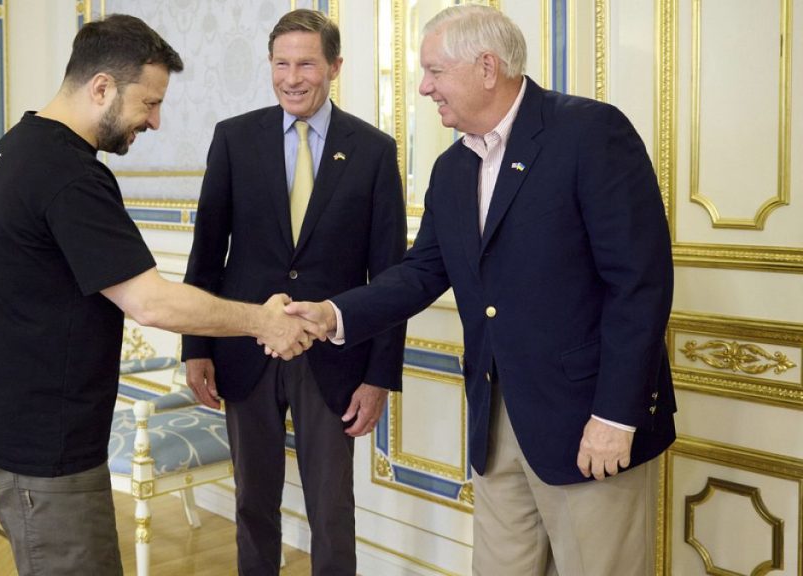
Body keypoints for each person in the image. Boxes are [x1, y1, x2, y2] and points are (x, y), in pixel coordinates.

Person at [285, 5, 676, 575]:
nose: (424, 87)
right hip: (496, 421)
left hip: (587, 420)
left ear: (486, 67)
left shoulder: (590, 133)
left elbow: (639, 283)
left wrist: (616, 417)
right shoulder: (452, 168)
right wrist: (331, 314)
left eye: (435, 72)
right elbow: (422, 271)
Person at [0, 15, 323, 576]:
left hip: (12, 423)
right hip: (44, 442)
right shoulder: (69, 174)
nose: (154, 121)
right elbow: (150, 302)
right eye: (148, 103)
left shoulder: (16, 147)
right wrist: (263, 322)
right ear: (102, 87)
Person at [181, 9, 406, 575]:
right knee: (252, 503)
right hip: (243, 351)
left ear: (334, 67)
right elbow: (207, 252)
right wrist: (196, 347)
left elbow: (392, 276)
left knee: (332, 510)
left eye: (306, 63)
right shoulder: (233, 139)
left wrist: (379, 376)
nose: (291, 77)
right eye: (281, 63)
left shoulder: (374, 151)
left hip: (335, 360)